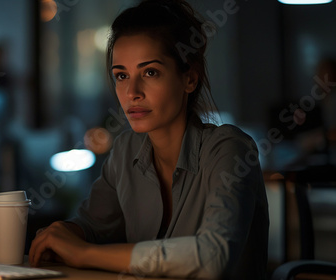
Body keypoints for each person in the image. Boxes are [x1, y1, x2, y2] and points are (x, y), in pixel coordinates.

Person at [29, 0, 269, 279]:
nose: (132, 92)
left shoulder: (230, 149)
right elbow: (92, 225)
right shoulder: (125, 150)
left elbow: (213, 257)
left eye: (150, 72)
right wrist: (65, 234)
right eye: (121, 75)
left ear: (189, 78)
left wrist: (83, 253)